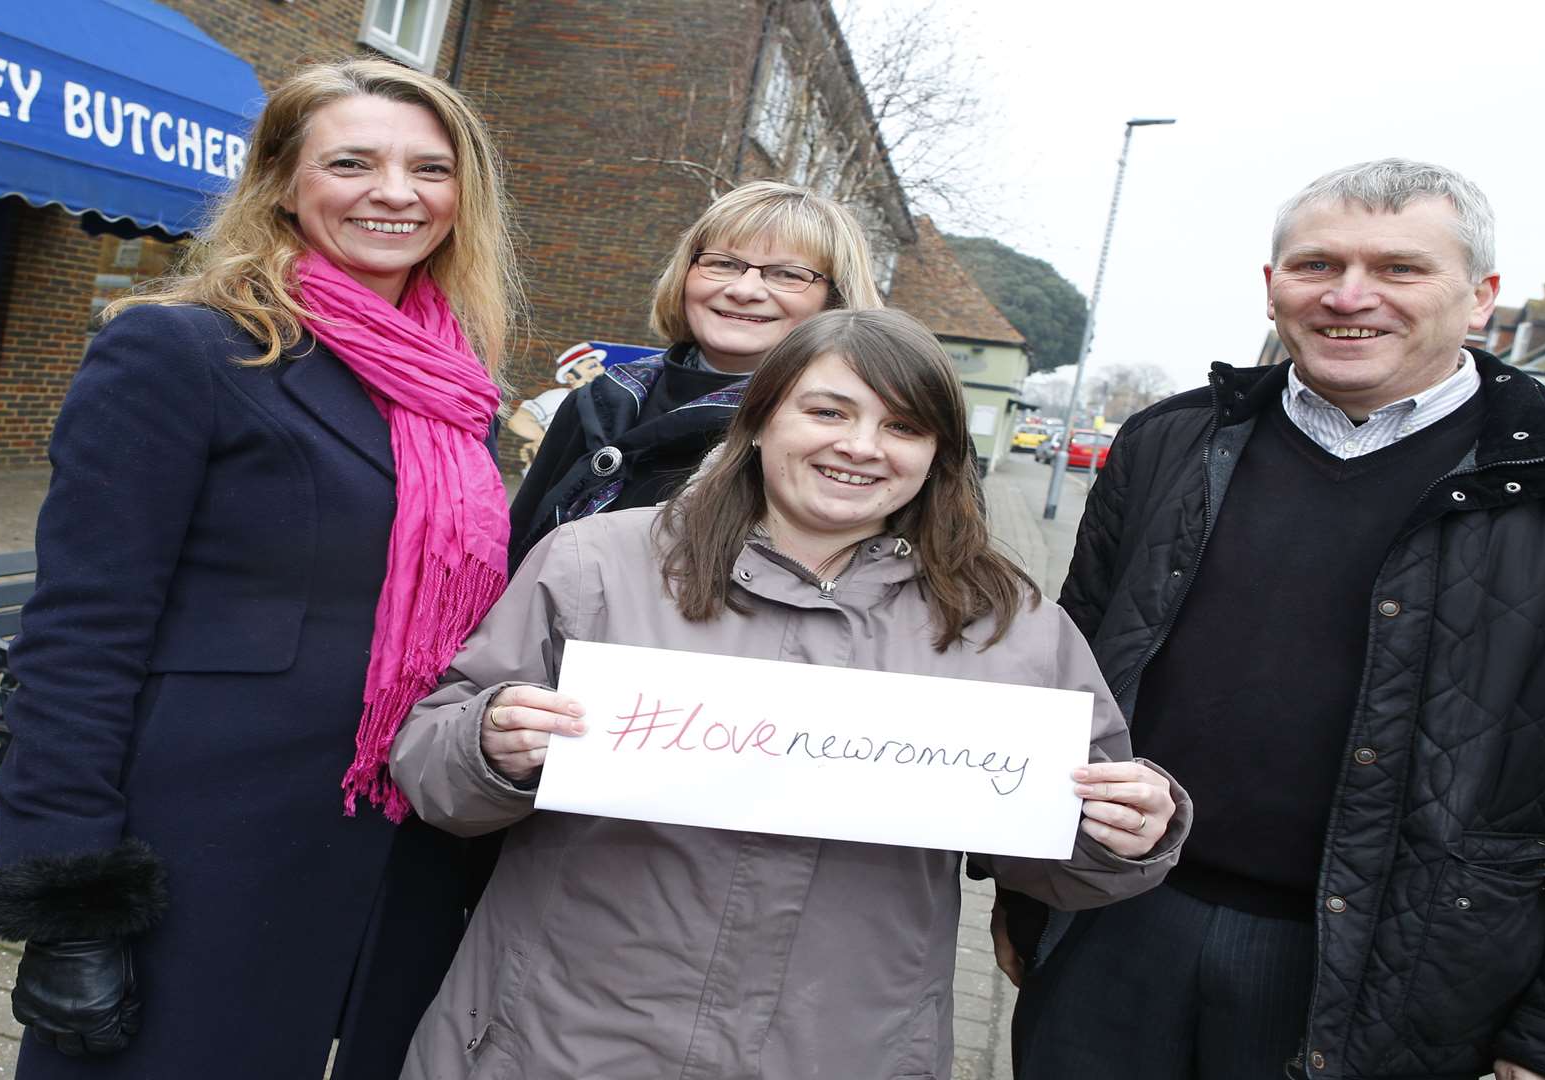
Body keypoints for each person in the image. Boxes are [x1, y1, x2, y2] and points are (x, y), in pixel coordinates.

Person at [1007, 158, 1545, 1080]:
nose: (1351, 296)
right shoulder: (1168, 446)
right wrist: (1029, 901)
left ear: (1481, 298)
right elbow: (1061, 693)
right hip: (1116, 933)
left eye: (1399, 269)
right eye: (1317, 266)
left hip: (1399, 984)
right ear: (1273, 288)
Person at [387, 308, 1193, 1079]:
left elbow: (1060, 866)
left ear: (939, 454)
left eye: (903, 427)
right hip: (562, 1037)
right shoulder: (595, 564)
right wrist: (489, 745)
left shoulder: (1008, 624)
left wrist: (1121, 834)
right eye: (829, 412)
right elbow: (433, 770)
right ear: (762, 418)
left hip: (844, 1047)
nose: (862, 447)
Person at [0, 58, 522, 1078]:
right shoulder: (182, 353)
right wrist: (71, 900)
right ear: (282, 181)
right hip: (207, 848)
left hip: (400, 849)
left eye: (428, 169)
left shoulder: (459, 393)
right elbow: (81, 636)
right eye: (352, 161)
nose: (395, 192)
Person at [507, 179, 884, 571]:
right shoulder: (603, 399)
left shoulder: (851, 433)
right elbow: (517, 554)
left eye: (787, 274)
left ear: (835, 299)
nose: (745, 289)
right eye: (723, 264)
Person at [503, 341, 608, 471]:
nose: (600, 370)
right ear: (571, 378)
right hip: (552, 472)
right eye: (591, 367)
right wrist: (543, 443)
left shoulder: (604, 403)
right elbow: (518, 420)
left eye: (599, 365)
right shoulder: (559, 397)